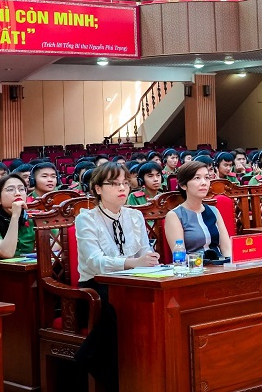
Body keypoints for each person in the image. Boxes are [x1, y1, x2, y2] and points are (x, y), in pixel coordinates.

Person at [75, 162, 159, 390]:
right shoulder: (86, 218)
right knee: (118, 306)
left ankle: (148, 372)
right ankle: (114, 379)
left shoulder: (134, 215)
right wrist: (133, 263)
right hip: (95, 286)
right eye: (113, 184)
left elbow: (143, 251)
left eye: (125, 183)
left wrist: (151, 259)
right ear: (98, 189)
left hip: (131, 280)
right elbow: (95, 262)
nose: (122, 188)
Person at [0, 175, 36, 299]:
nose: (18, 193)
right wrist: (15, 217)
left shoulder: (33, 220)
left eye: (21, 189)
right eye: (10, 189)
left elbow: (57, 244)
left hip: (26, 275)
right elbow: (7, 253)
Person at [164, 161, 232, 258]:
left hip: (219, 263)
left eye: (207, 178)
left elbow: (227, 249)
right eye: (197, 178)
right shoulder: (175, 216)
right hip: (194, 265)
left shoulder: (213, 211)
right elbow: (180, 256)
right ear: (183, 185)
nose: (204, 183)